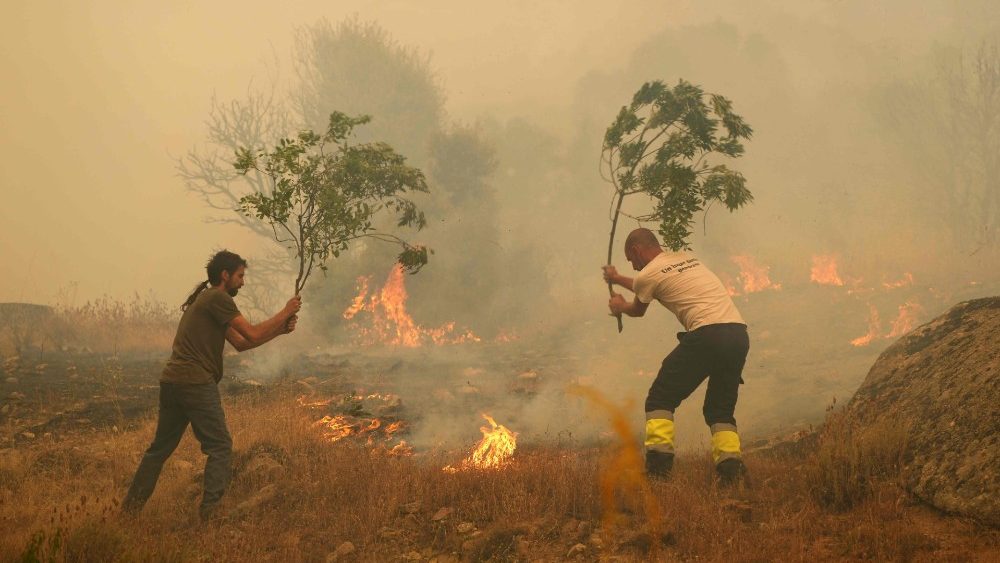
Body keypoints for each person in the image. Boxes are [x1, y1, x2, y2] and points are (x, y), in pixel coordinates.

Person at [122, 250, 301, 520]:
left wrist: (280, 330)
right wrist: (285, 311)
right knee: (220, 446)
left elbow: (241, 343)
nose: (243, 282)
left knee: (158, 450)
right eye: (240, 276)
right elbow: (252, 333)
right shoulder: (218, 298)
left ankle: (128, 513)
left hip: (173, 381)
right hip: (194, 382)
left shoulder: (207, 300)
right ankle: (211, 515)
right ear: (225, 275)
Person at [603, 228, 749, 484]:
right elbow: (644, 289)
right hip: (737, 335)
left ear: (636, 250)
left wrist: (619, 305)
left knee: (660, 398)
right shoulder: (685, 258)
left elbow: (638, 303)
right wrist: (617, 282)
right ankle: (732, 475)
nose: (634, 266)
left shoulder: (648, 274)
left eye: (631, 260)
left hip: (707, 334)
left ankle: (658, 472)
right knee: (720, 409)